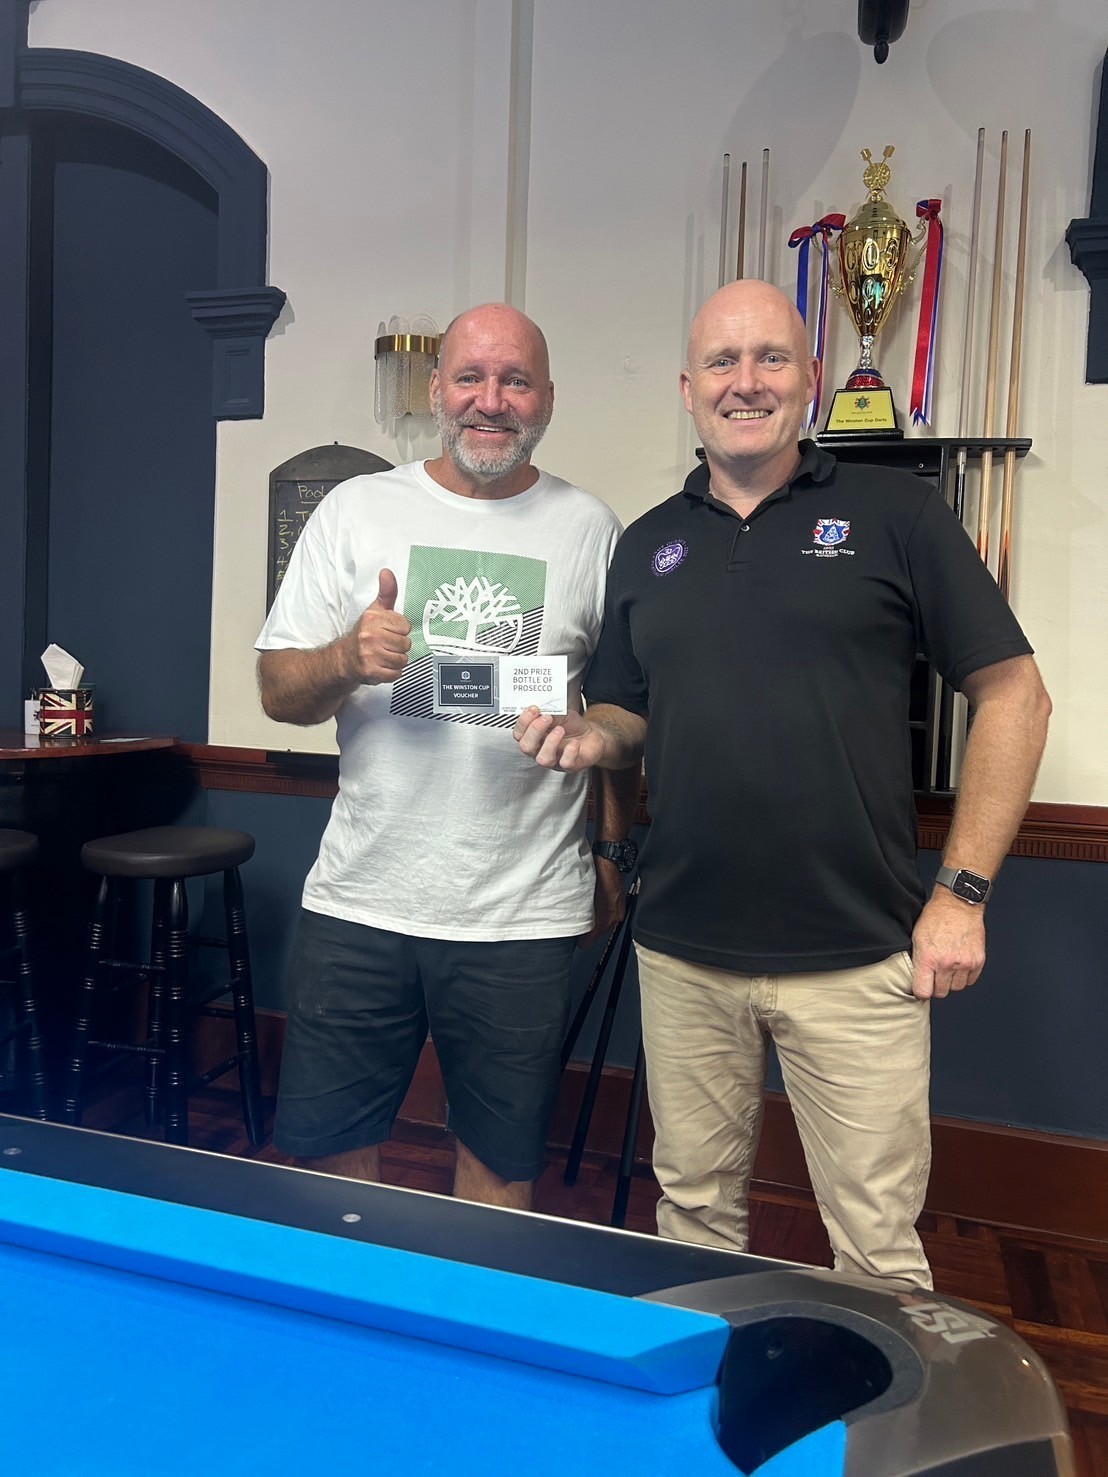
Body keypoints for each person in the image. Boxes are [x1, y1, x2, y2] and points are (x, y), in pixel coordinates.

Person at [514, 280, 1051, 1286]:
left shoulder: (897, 513)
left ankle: (874, 1398)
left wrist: (962, 893)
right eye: (722, 361)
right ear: (688, 388)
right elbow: (627, 716)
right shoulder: (647, 543)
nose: (745, 381)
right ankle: (703, 1395)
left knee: (877, 1252)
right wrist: (590, 737)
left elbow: (1016, 695)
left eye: (769, 358)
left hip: (857, 955)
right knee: (693, 1219)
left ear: (809, 378)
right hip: (682, 950)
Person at [256, 303, 639, 1208]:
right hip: (361, 900)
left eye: (515, 381)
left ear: (548, 398)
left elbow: (621, 715)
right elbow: (278, 689)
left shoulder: (592, 528)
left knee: (500, 1173)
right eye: (470, 377)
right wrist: (347, 658)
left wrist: (612, 850)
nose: (490, 400)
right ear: (437, 389)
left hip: (523, 913)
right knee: (328, 1166)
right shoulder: (356, 510)